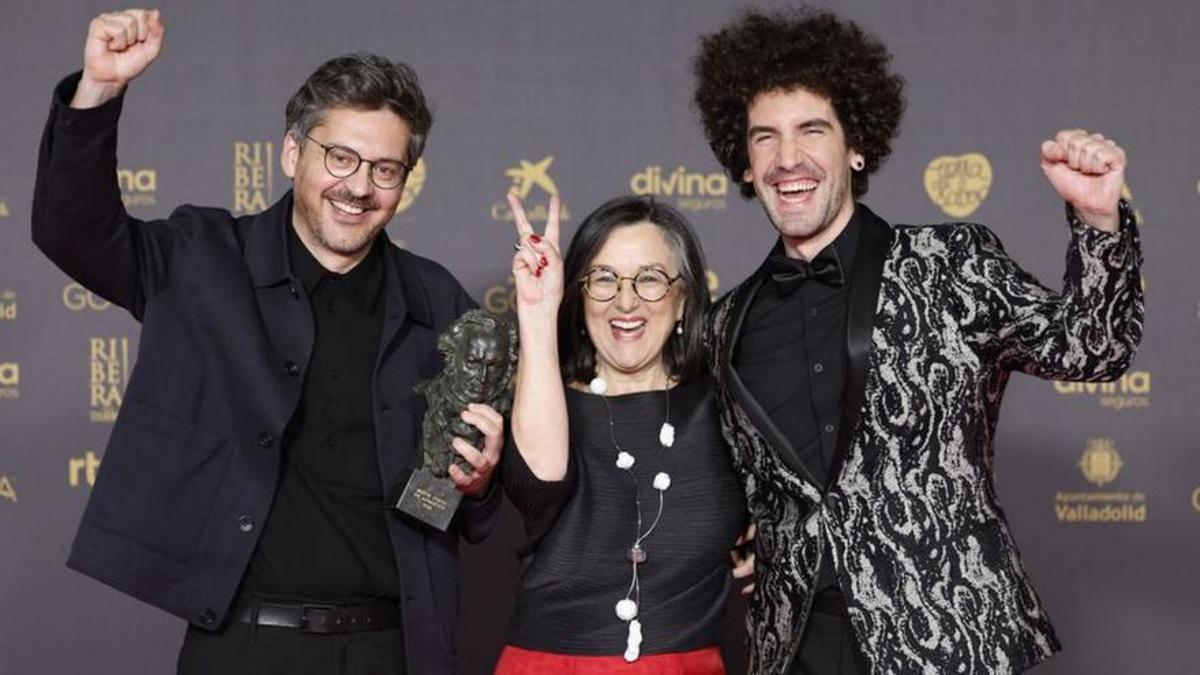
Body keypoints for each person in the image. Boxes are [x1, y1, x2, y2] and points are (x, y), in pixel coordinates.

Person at [32, 9, 504, 674]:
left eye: (386, 169)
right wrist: (99, 91)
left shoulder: (438, 303)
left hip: (390, 648)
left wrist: (477, 485)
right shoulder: (203, 259)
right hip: (244, 645)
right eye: (340, 156)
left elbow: (466, 513)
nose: (359, 187)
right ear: (291, 152)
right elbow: (70, 230)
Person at [692, 7, 1143, 674]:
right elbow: (731, 481)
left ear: (856, 145)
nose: (788, 158)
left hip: (951, 634)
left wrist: (1099, 217)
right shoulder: (722, 324)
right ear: (745, 160)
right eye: (765, 138)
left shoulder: (949, 262)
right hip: (795, 649)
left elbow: (1093, 347)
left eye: (811, 130)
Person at [494, 193, 748, 673]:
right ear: (580, 295)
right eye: (604, 279)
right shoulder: (548, 403)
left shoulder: (729, 408)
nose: (626, 300)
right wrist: (538, 307)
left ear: (683, 299)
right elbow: (539, 484)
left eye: (650, 279)